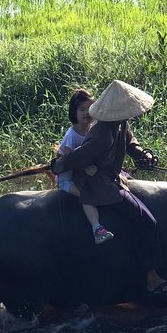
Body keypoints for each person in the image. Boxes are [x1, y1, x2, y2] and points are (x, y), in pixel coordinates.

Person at [51, 80, 167, 298]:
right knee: (147, 222)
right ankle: (152, 279)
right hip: (99, 184)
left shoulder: (120, 123)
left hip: (113, 177)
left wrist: (143, 155)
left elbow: (131, 142)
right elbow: (77, 157)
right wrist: (57, 165)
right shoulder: (101, 133)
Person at [57, 88, 114, 244]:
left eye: (89, 108)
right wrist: (85, 167)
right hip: (69, 179)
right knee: (87, 194)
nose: (86, 113)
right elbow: (69, 160)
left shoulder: (93, 129)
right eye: (81, 109)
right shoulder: (71, 135)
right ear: (74, 113)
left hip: (84, 176)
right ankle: (97, 228)